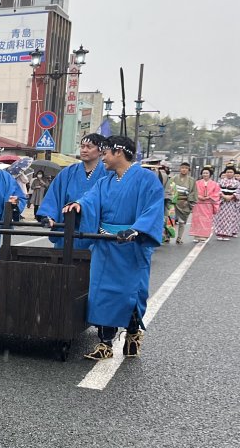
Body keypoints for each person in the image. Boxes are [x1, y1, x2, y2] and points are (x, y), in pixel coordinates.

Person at [63, 136, 165, 360]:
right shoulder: (104, 181)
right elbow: (91, 199)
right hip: (105, 245)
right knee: (101, 294)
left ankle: (132, 333)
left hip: (130, 246)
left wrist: (137, 229)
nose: (104, 158)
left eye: (106, 153)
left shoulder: (147, 179)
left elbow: (153, 208)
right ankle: (105, 343)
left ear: (119, 152)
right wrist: (79, 204)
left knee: (129, 293)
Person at [37, 134, 110, 244]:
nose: (84, 150)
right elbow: (54, 196)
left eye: (89, 147)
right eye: (82, 146)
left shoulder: (108, 173)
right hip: (67, 228)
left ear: (100, 151)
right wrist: (48, 216)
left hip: (95, 230)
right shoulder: (67, 172)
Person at [165, 161, 197, 245]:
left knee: (182, 221)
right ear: (180, 168)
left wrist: (190, 202)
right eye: (182, 168)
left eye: (186, 168)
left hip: (185, 203)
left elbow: (193, 192)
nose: (184, 170)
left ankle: (179, 238)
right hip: (173, 202)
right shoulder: (173, 178)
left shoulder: (191, 180)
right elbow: (168, 189)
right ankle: (167, 236)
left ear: (188, 170)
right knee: (170, 220)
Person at [189, 167, 220, 242]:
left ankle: (204, 236)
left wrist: (208, 197)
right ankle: (196, 235)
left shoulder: (215, 184)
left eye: (207, 173)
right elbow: (193, 192)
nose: (205, 174)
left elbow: (216, 193)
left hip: (208, 203)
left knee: (206, 220)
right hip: (198, 203)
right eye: (203, 173)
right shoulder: (197, 183)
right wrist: (199, 196)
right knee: (197, 219)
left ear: (210, 174)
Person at [214, 165, 240, 240]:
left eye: (231, 172)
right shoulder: (221, 181)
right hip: (222, 202)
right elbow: (217, 190)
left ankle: (227, 234)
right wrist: (223, 196)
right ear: (225, 173)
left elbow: (238, 191)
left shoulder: (237, 183)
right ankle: (220, 233)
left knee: (229, 218)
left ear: (234, 173)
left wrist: (232, 196)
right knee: (220, 218)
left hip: (231, 203)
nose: (229, 173)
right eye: (227, 172)